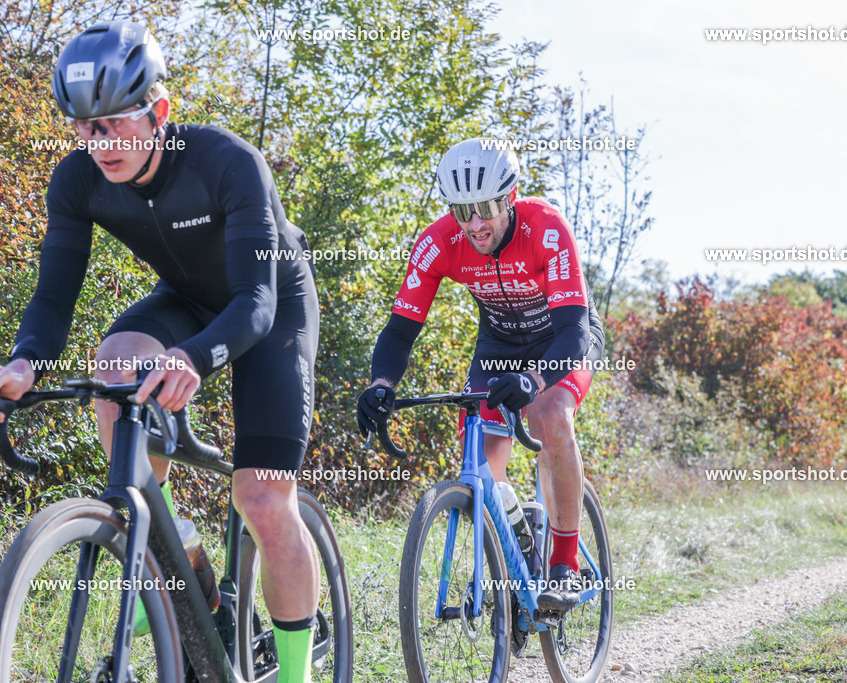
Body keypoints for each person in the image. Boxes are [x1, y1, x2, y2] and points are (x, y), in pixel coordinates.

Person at [0, 21, 320, 682]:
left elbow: (255, 302)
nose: (99, 144)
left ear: (160, 112)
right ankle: (182, 559)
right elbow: (53, 301)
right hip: (186, 298)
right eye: (85, 128)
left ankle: (296, 674)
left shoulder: (228, 163)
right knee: (115, 364)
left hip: (270, 306)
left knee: (262, 498)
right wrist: (25, 362)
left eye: (115, 124)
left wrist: (194, 358)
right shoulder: (77, 182)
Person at [358, 138, 605, 611]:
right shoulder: (437, 242)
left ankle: (565, 566)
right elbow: (399, 331)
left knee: (550, 414)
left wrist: (534, 381)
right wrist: (381, 385)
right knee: (481, 460)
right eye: (462, 210)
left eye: (487, 208)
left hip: (562, 337)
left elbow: (573, 330)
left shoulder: (546, 227)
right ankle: (514, 543)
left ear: (509, 198)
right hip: (498, 346)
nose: (474, 224)